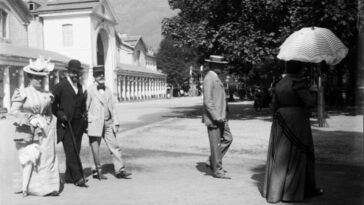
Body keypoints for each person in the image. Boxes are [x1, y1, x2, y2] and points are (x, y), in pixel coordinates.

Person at [263, 60, 323, 203]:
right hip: (296, 120)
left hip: (280, 119)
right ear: (299, 69)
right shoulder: (299, 82)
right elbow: (309, 102)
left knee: (280, 155)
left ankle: (274, 194)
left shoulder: (279, 83)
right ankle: (291, 194)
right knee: (297, 155)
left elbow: (273, 105)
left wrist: (277, 118)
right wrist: (314, 91)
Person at [10, 56, 60, 197]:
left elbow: (49, 111)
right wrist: (29, 118)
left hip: (45, 130)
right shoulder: (23, 92)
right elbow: (14, 111)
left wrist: (48, 122)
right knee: (30, 157)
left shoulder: (47, 94)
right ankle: (29, 187)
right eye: (36, 77)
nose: (39, 80)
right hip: (28, 128)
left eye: (42, 77)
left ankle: (48, 187)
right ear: (29, 77)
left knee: (46, 157)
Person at [86, 66, 132, 180]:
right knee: (95, 149)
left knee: (115, 146)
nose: (101, 76)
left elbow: (112, 107)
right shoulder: (90, 90)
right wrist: (88, 123)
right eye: (98, 74)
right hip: (95, 124)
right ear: (94, 77)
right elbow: (85, 108)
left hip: (108, 123)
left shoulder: (107, 89)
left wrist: (115, 122)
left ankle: (120, 170)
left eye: (102, 74)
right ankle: (96, 171)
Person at [52, 59, 88, 187]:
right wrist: (61, 115)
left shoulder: (79, 86)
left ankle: (68, 176)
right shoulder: (60, 86)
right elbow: (53, 106)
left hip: (78, 124)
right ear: (68, 72)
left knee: (76, 150)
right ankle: (78, 177)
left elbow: (82, 106)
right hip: (65, 124)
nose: (74, 75)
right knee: (70, 150)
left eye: (76, 72)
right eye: (72, 72)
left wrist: (85, 121)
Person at [202, 55, 233, 179]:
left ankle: (211, 161)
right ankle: (218, 170)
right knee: (215, 145)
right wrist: (215, 116)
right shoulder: (209, 78)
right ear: (214, 66)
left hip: (221, 117)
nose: (222, 67)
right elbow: (207, 100)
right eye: (220, 65)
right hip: (214, 119)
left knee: (228, 138)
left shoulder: (216, 78)